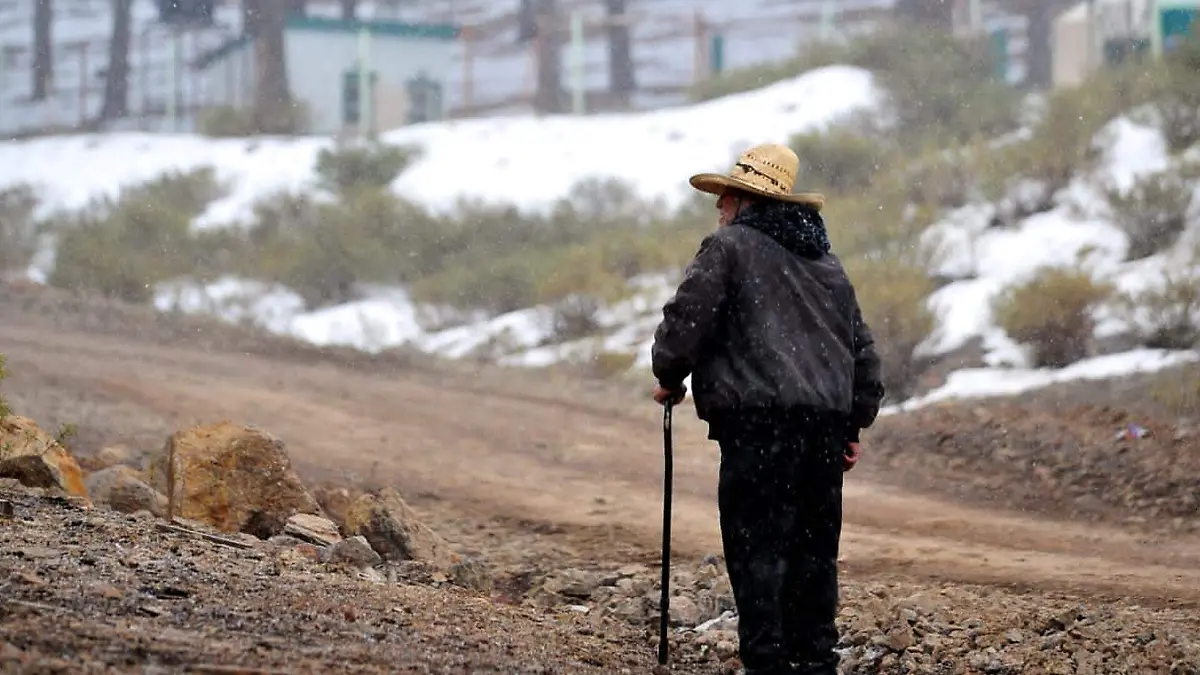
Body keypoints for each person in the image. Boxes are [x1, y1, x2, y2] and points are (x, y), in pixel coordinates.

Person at [650, 143, 885, 675]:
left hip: (758, 427)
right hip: (822, 432)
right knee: (813, 556)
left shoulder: (729, 248)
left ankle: (767, 664)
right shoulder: (826, 264)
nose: (719, 208)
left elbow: (687, 321)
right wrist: (852, 421)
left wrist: (669, 374)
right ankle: (815, 662)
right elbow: (861, 350)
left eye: (725, 198)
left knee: (758, 554)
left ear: (744, 201)